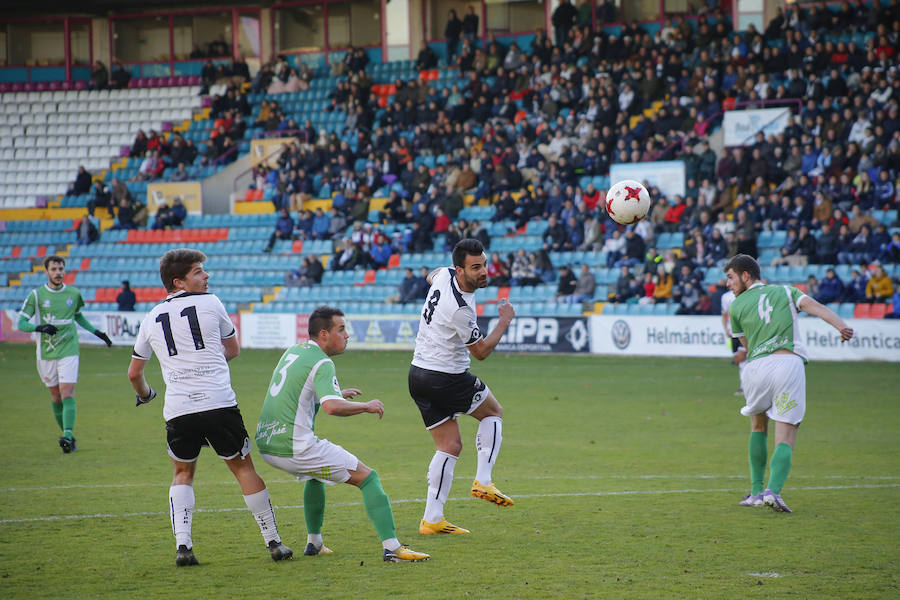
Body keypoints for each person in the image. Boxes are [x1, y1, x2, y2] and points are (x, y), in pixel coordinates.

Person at [127, 248, 292, 566]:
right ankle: (274, 542)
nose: (207, 276)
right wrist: (209, 363)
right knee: (243, 468)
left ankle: (183, 547)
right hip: (218, 402)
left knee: (182, 473)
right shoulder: (211, 302)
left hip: (178, 409)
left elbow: (134, 374)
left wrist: (147, 395)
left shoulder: (150, 318)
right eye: (199, 272)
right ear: (179, 281)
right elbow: (232, 349)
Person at [255, 306, 430, 563]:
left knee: (315, 476)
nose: (347, 335)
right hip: (295, 446)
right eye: (341, 329)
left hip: (268, 444)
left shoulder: (294, 351)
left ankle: (314, 542)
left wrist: (336, 391)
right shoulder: (323, 362)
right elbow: (332, 407)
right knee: (369, 479)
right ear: (324, 334)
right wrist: (366, 406)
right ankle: (392, 547)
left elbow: (299, 389)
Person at [725, 254, 853, 513]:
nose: (728, 284)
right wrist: (841, 326)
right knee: (787, 430)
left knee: (758, 425)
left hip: (756, 367)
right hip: (787, 364)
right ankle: (774, 490)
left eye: (730, 277)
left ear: (746, 276)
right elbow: (816, 307)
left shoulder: (736, 307)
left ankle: (756, 491)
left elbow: (746, 346)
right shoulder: (786, 291)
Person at [409, 239, 516, 535]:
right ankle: (483, 479)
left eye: (484, 264)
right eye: (475, 267)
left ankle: (432, 519)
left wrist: (439, 281)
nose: (483, 272)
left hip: (418, 375)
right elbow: (480, 352)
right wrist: (504, 322)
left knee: (449, 446)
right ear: (460, 269)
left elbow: (432, 275)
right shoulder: (459, 310)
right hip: (447, 377)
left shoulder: (444, 275)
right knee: (493, 412)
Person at [17, 255, 113, 453]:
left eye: (61, 269)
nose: (58, 272)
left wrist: (97, 332)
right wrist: (40, 327)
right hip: (46, 352)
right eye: (53, 269)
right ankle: (69, 436)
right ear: (46, 272)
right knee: (55, 396)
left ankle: (67, 436)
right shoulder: (36, 295)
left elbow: (77, 315)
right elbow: (21, 324)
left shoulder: (74, 293)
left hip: (69, 349)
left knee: (67, 392)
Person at [720, 288, 746, 396]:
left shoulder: (746, 293)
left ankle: (745, 387)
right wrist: (726, 328)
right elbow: (724, 314)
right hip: (733, 332)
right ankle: (744, 386)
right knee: (738, 360)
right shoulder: (726, 297)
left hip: (745, 331)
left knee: (743, 358)